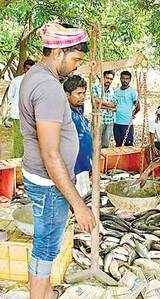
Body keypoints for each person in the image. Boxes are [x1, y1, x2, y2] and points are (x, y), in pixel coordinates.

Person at [19, 22, 95, 299]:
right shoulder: (49, 88)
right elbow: (51, 154)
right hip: (49, 183)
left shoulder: (34, 75)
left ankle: (45, 293)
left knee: (45, 242)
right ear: (59, 52)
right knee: (46, 247)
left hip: (38, 176)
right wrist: (79, 205)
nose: (76, 66)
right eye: (75, 59)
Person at [63, 75, 93, 197]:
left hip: (83, 163)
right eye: (78, 93)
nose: (82, 97)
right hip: (74, 167)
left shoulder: (77, 109)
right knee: (78, 199)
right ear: (67, 94)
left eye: (84, 93)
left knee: (85, 196)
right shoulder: (65, 114)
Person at [7, 58, 35, 158]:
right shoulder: (16, 81)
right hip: (17, 114)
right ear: (24, 69)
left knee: (29, 139)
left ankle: (27, 161)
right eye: (27, 69)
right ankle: (17, 160)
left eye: (31, 69)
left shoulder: (36, 82)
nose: (29, 71)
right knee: (18, 139)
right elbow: (10, 96)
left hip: (31, 116)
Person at [113, 70, 140, 147]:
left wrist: (132, 115)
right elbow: (113, 105)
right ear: (120, 79)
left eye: (127, 78)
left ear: (130, 80)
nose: (125, 80)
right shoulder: (116, 91)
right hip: (116, 122)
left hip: (127, 123)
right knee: (118, 144)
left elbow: (138, 107)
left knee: (128, 145)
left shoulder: (133, 92)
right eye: (123, 78)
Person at [92, 70, 116, 148]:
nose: (109, 80)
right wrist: (108, 104)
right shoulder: (95, 87)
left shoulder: (113, 90)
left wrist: (101, 103)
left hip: (110, 121)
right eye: (107, 78)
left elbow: (115, 105)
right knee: (95, 143)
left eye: (111, 79)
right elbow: (95, 104)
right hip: (98, 120)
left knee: (105, 144)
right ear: (103, 77)